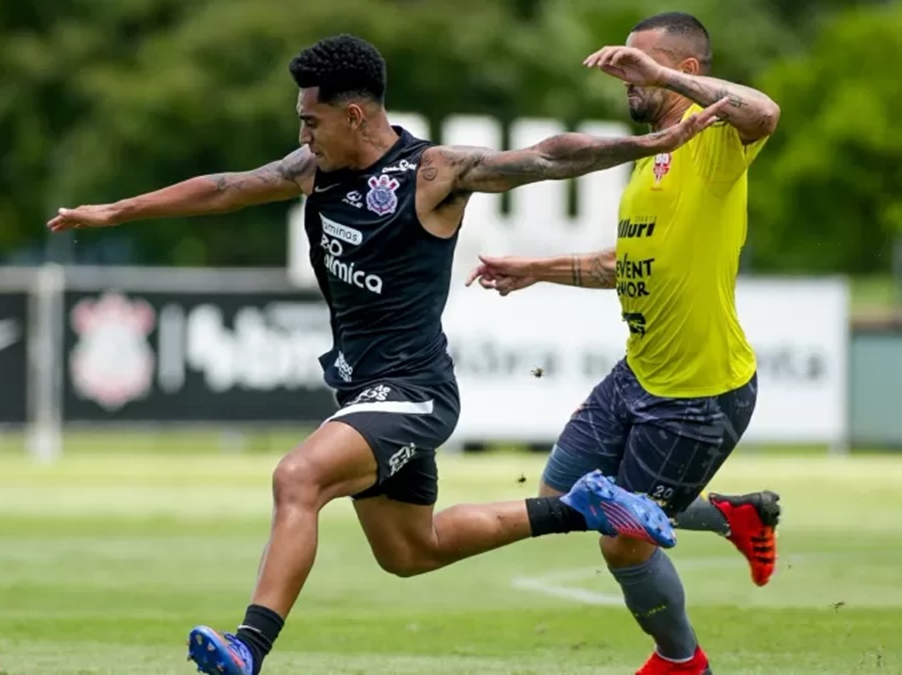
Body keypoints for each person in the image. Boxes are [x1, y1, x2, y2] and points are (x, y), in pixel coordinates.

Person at [50, 34, 728, 675]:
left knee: (298, 478)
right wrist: (117, 211)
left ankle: (248, 646)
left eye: (311, 122)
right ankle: (579, 507)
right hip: (365, 390)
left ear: (353, 115)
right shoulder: (315, 170)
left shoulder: (432, 173)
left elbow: (549, 157)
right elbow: (226, 187)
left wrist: (660, 138)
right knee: (410, 550)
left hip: (414, 390)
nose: (302, 137)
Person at [468, 12, 781, 675]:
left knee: (623, 545)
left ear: (685, 70)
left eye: (642, 66)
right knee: (561, 494)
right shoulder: (654, 157)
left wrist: (660, 73)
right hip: (637, 375)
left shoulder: (716, 146)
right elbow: (627, 263)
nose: (626, 78)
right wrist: (536, 269)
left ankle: (681, 661)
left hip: (697, 394)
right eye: (628, 66)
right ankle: (732, 516)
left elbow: (766, 112)